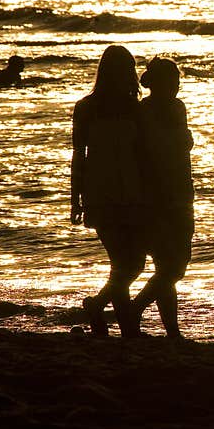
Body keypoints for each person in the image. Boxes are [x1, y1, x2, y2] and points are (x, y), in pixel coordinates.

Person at [70, 45, 147, 338]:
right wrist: (75, 198)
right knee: (124, 262)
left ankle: (98, 305)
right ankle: (127, 326)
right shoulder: (86, 107)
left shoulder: (134, 108)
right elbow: (79, 153)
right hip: (101, 193)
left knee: (132, 263)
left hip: (131, 191)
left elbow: (143, 154)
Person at [131, 57, 194, 339]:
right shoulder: (144, 113)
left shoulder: (176, 108)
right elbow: (154, 154)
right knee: (172, 266)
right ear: (158, 84)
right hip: (159, 196)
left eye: (178, 82)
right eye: (173, 81)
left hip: (179, 191)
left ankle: (171, 330)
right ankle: (135, 310)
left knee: (171, 266)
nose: (177, 87)